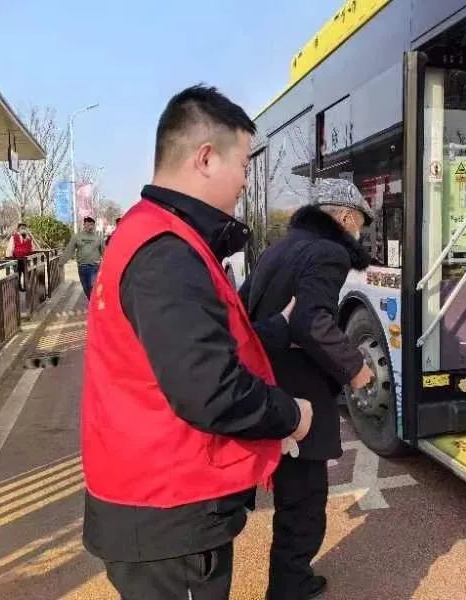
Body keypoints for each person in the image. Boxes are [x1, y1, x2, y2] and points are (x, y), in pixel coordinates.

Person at [80, 84, 313, 600]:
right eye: (244, 165)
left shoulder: (154, 233)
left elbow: (202, 342)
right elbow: (209, 388)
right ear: (206, 158)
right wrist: (291, 415)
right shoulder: (167, 252)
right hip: (168, 511)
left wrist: (277, 327)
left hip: (156, 500)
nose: (246, 182)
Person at [240, 178, 376, 600]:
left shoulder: (280, 248)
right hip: (299, 393)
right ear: (346, 217)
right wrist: (355, 367)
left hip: (266, 383)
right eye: (360, 223)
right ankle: (290, 585)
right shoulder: (329, 252)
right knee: (304, 501)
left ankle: (289, 580)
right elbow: (311, 321)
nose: (359, 232)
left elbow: (243, 311)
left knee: (289, 493)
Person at [60, 216, 104, 298]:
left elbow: (104, 252)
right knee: (86, 288)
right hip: (82, 267)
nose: (90, 227)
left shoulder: (98, 237)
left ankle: (93, 304)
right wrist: (61, 262)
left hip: (94, 266)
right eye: (88, 225)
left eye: (92, 225)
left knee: (92, 287)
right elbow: (69, 250)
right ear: (84, 225)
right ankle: (92, 302)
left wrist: (108, 264)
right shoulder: (77, 237)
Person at [6, 222, 36, 292]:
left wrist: (32, 256)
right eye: (21, 228)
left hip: (27, 259)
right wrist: (9, 258)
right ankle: (18, 288)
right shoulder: (14, 237)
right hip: (17, 259)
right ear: (18, 229)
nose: (23, 229)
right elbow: (10, 248)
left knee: (27, 273)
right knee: (18, 274)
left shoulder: (29, 238)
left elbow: (33, 248)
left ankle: (26, 287)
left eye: (24, 228)